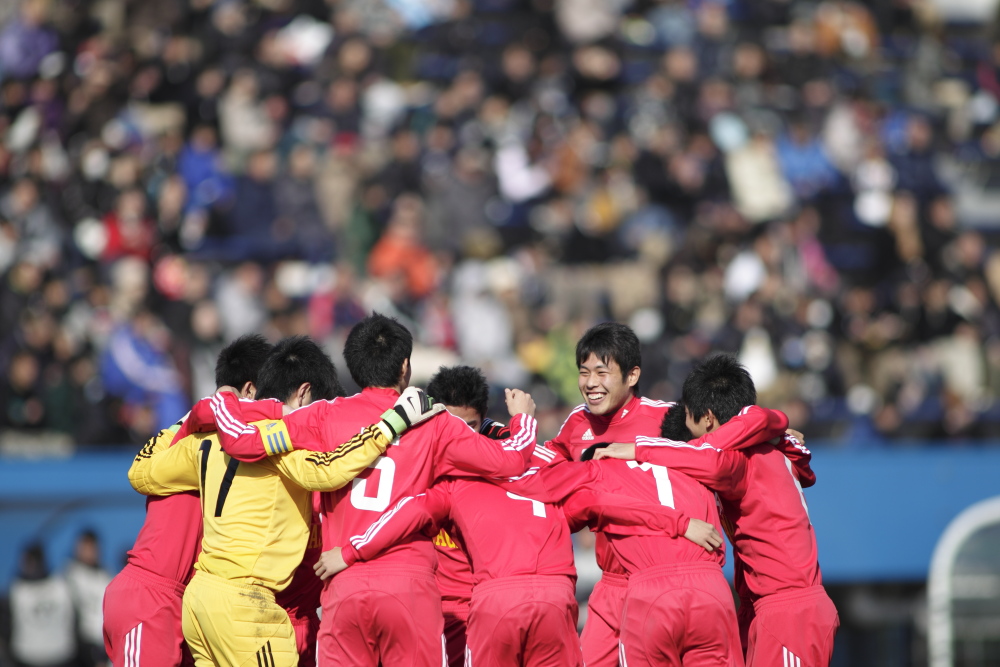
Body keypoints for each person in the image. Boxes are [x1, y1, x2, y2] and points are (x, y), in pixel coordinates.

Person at [199, 314, 537, 666]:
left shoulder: (322, 416)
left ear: (354, 366)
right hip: (409, 586)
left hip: (343, 586)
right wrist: (523, 419)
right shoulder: (435, 423)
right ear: (404, 366)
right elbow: (510, 461)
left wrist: (224, 399)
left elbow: (243, 442)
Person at [126, 336, 439, 667]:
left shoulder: (207, 439)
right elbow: (327, 471)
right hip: (247, 605)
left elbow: (141, 474)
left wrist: (189, 420)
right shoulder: (282, 442)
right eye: (320, 406)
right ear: (304, 394)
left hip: (199, 600)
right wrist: (390, 424)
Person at [313, 449, 707, 667]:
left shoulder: (457, 485)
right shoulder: (551, 487)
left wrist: (350, 552)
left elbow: (410, 511)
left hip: (494, 601)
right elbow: (606, 503)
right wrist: (680, 522)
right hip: (555, 597)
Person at [598, 355, 839, 667]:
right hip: (768, 607)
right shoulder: (772, 448)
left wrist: (637, 448)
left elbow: (709, 454)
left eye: (689, 421)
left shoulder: (742, 458)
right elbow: (799, 462)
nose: (688, 436)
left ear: (708, 419)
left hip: (789, 612)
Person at [102, 333, 281, 667]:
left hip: (185, 604)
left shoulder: (204, 437)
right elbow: (205, 409)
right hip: (151, 596)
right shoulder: (196, 436)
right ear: (249, 391)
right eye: (269, 395)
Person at [541, 322, 676, 667]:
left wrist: (778, 438)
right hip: (611, 583)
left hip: (662, 580)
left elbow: (719, 443)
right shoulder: (576, 423)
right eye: (584, 372)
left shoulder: (668, 419)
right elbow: (545, 466)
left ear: (632, 376)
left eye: (602, 372)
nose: (590, 383)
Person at [423, 365, 510, 667]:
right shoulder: (415, 459)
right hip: (435, 615)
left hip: (489, 612)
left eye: (470, 426)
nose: (460, 438)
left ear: (484, 421)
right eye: (451, 425)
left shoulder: (506, 461)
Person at [7, 543, 77, 667]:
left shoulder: (60, 586)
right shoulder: (17, 589)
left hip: (61, 656)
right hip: (25, 658)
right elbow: (7, 624)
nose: (28, 566)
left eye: (31, 561)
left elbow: (74, 618)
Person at [65, 530, 111, 667]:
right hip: (80, 647)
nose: (89, 551)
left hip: (104, 643)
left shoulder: (106, 575)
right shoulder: (69, 575)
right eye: (85, 547)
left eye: (93, 547)